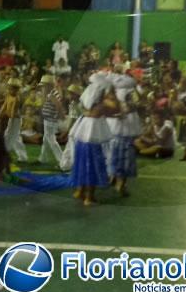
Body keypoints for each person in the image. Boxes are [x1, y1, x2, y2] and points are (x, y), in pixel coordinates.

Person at [68, 73, 118, 206]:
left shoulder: (87, 104)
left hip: (83, 132)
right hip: (93, 136)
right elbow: (115, 108)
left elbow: (85, 109)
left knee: (81, 163)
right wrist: (111, 93)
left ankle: (80, 191)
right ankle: (89, 197)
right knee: (92, 165)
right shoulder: (102, 105)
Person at [108, 73, 142, 197]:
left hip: (116, 126)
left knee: (113, 154)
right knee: (126, 156)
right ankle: (120, 184)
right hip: (127, 126)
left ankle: (114, 179)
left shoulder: (113, 90)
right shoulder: (131, 91)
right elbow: (137, 103)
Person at [38, 74, 66, 164]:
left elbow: (58, 106)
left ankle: (62, 160)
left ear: (49, 86)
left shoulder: (52, 94)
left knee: (51, 140)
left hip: (50, 120)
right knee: (46, 140)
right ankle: (43, 158)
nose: (42, 88)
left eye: (44, 86)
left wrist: (57, 116)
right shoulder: (51, 93)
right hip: (48, 120)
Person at [0, 78, 28, 163]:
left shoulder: (16, 99)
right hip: (11, 118)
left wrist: (8, 119)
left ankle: (5, 153)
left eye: (13, 88)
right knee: (16, 137)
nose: (11, 90)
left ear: (17, 90)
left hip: (15, 119)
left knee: (8, 135)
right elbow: (4, 105)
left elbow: (12, 112)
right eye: (10, 88)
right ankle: (22, 157)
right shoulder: (8, 95)